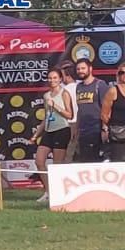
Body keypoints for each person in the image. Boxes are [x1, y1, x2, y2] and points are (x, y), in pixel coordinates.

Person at [34, 68, 75, 200]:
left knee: (57, 165)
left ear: (60, 79)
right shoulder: (46, 95)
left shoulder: (64, 93)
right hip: (48, 130)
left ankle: (58, 194)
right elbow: (46, 117)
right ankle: (48, 191)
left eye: (55, 78)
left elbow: (70, 115)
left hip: (62, 130)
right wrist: (36, 134)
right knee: (39, 161)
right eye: (50, 78)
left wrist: (56, 106)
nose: (52, 80)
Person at [72, 59, 109, 164]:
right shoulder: (79, 87)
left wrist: (105, 129)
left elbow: (106, 108)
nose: (80, 71)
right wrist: (76, 128)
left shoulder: (100, 85)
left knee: (95, 163)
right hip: (83, 132)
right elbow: (80, 109)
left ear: (90, 68)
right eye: (78, 69)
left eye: (83, 68)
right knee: (85, 162)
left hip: (96, 130)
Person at [60, 62, 79, 161]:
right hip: (82, 122)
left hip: (71, 124)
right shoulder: (81, 86)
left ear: (67, 75)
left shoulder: (64, 89)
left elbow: (68, 111)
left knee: (69, 154)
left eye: (62, 75)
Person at [104, 81, 125, 162]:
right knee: (118, 161)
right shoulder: (113, 91)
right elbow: (104, 114)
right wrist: (111, 127)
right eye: (121, 73)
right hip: (118, 134)